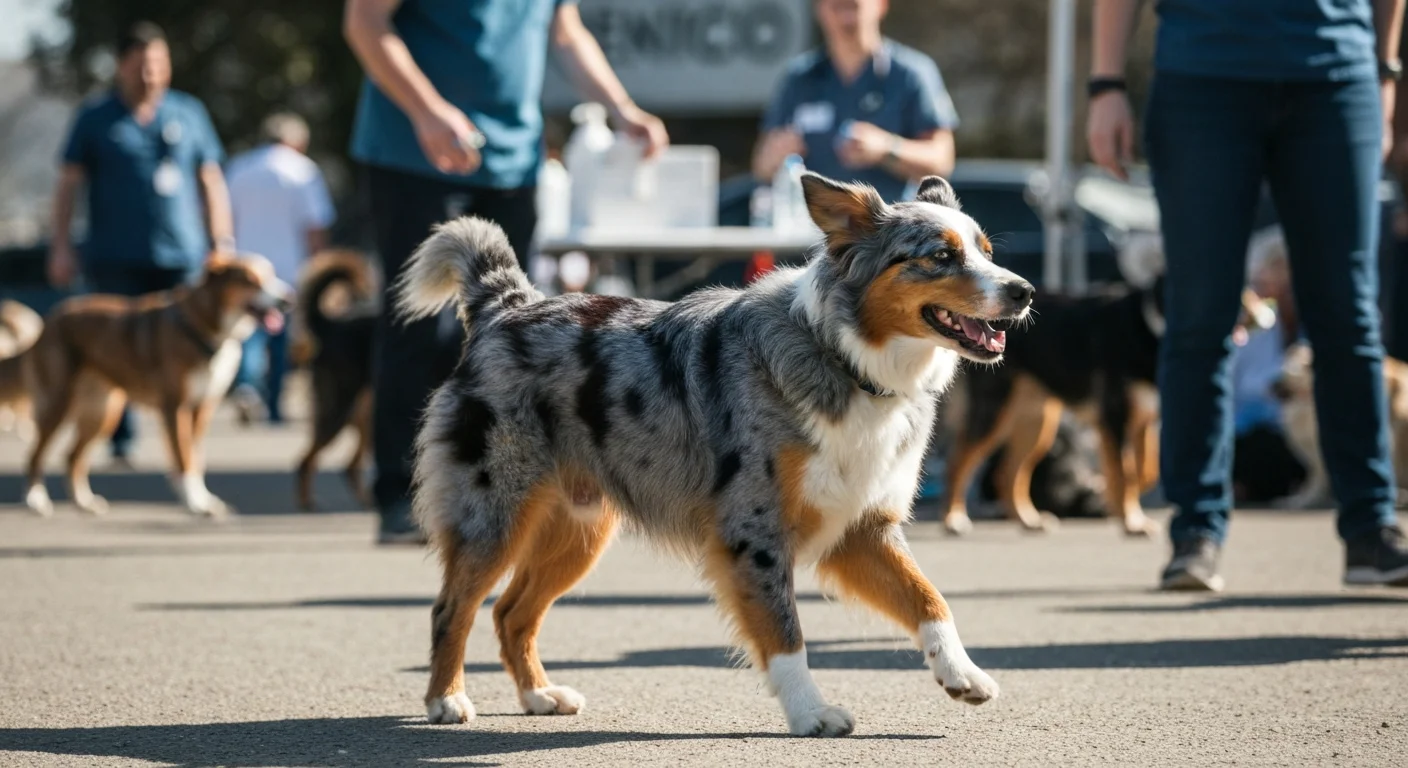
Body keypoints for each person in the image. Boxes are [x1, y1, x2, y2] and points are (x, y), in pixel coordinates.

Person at [1087, 0, 1408, 590]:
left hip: (1336, 77)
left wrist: (1384, 69)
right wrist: (1106, 82)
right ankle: (1196, 532)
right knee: (1199, 316)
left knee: (1348, 316)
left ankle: (1371, 528)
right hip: (1203, 79)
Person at [344, 0, 668, 543]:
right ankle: (400, 495)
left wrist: (621, 107)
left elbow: (565, 33)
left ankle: (492, 488)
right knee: (421, 330)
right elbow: (364, 22)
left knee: (507, 334)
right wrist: (427, 111)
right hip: (413, 151)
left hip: (513, 157)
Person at [49, 21, 232, 464]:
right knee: (117, 350)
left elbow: (210, 179)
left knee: (189, 349)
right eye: (141, 65)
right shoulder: (95, 117)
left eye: (158, 64)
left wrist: (221, 238)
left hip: (181, 254)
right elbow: (69, 183)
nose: (151, 74)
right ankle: (121, 440)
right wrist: (60, 245)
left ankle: (186, 449)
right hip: (115, 253)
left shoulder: (188, 113)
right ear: (121, 67)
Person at [752, 0, 959, 203]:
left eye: (853, 6)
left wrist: (887, 149)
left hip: (887, 228)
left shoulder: (911, 74)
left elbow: (942, 160)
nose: (845, 17)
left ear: (880, 5)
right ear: (819, 10)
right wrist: (777, 155)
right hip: (815, 228)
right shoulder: (800, 78)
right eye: (836, 7)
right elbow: (761, 165)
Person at [226, 112, 335, 425]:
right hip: (288, 270)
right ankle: (273, 406)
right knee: (280, 338)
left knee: (248, 334)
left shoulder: (240, 167)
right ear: (297, 141)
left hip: (245, 268)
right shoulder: (302, 171)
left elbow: (225, 217)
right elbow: (315, 227)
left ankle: (247, 385)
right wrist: (318, 268)